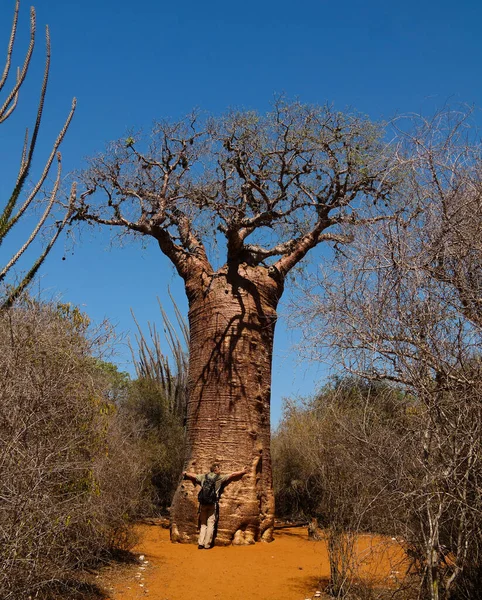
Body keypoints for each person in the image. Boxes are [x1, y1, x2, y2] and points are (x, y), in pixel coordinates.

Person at [182, 462, 248, 549]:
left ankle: (200, 543)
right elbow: (232, 475)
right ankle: (207, 544)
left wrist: (186, 473)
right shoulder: (219, 478)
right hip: (212, 504)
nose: (220, 470)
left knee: (203, 524)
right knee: (211, 524)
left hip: (203, 504)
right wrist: (242, 472)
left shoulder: (203, 477)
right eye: (219, 468)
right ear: (216, 470)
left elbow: (194, 476)